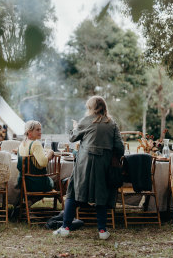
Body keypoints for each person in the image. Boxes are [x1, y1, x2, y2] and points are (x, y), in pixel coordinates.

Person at [53, 96, 124, 240]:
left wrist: (74, 127)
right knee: (101, 194)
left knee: (73, 192)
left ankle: (65, 228)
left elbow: (72, 138)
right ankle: (102, 231)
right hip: (103, 164)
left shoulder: (86, 121)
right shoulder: (112, 124)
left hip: (84, 163)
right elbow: (120, 147)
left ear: (91, 107)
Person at [16, 120, 55, 192]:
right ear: (29, 132)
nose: (40, 132)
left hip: (23, 183)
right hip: (37, 184)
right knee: (56, 180)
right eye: (37, 130)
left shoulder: (22, 144)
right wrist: (50, 153)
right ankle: (61, 197)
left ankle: (30, 200)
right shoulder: (35, 143)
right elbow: (43, 163)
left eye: (40, 129)